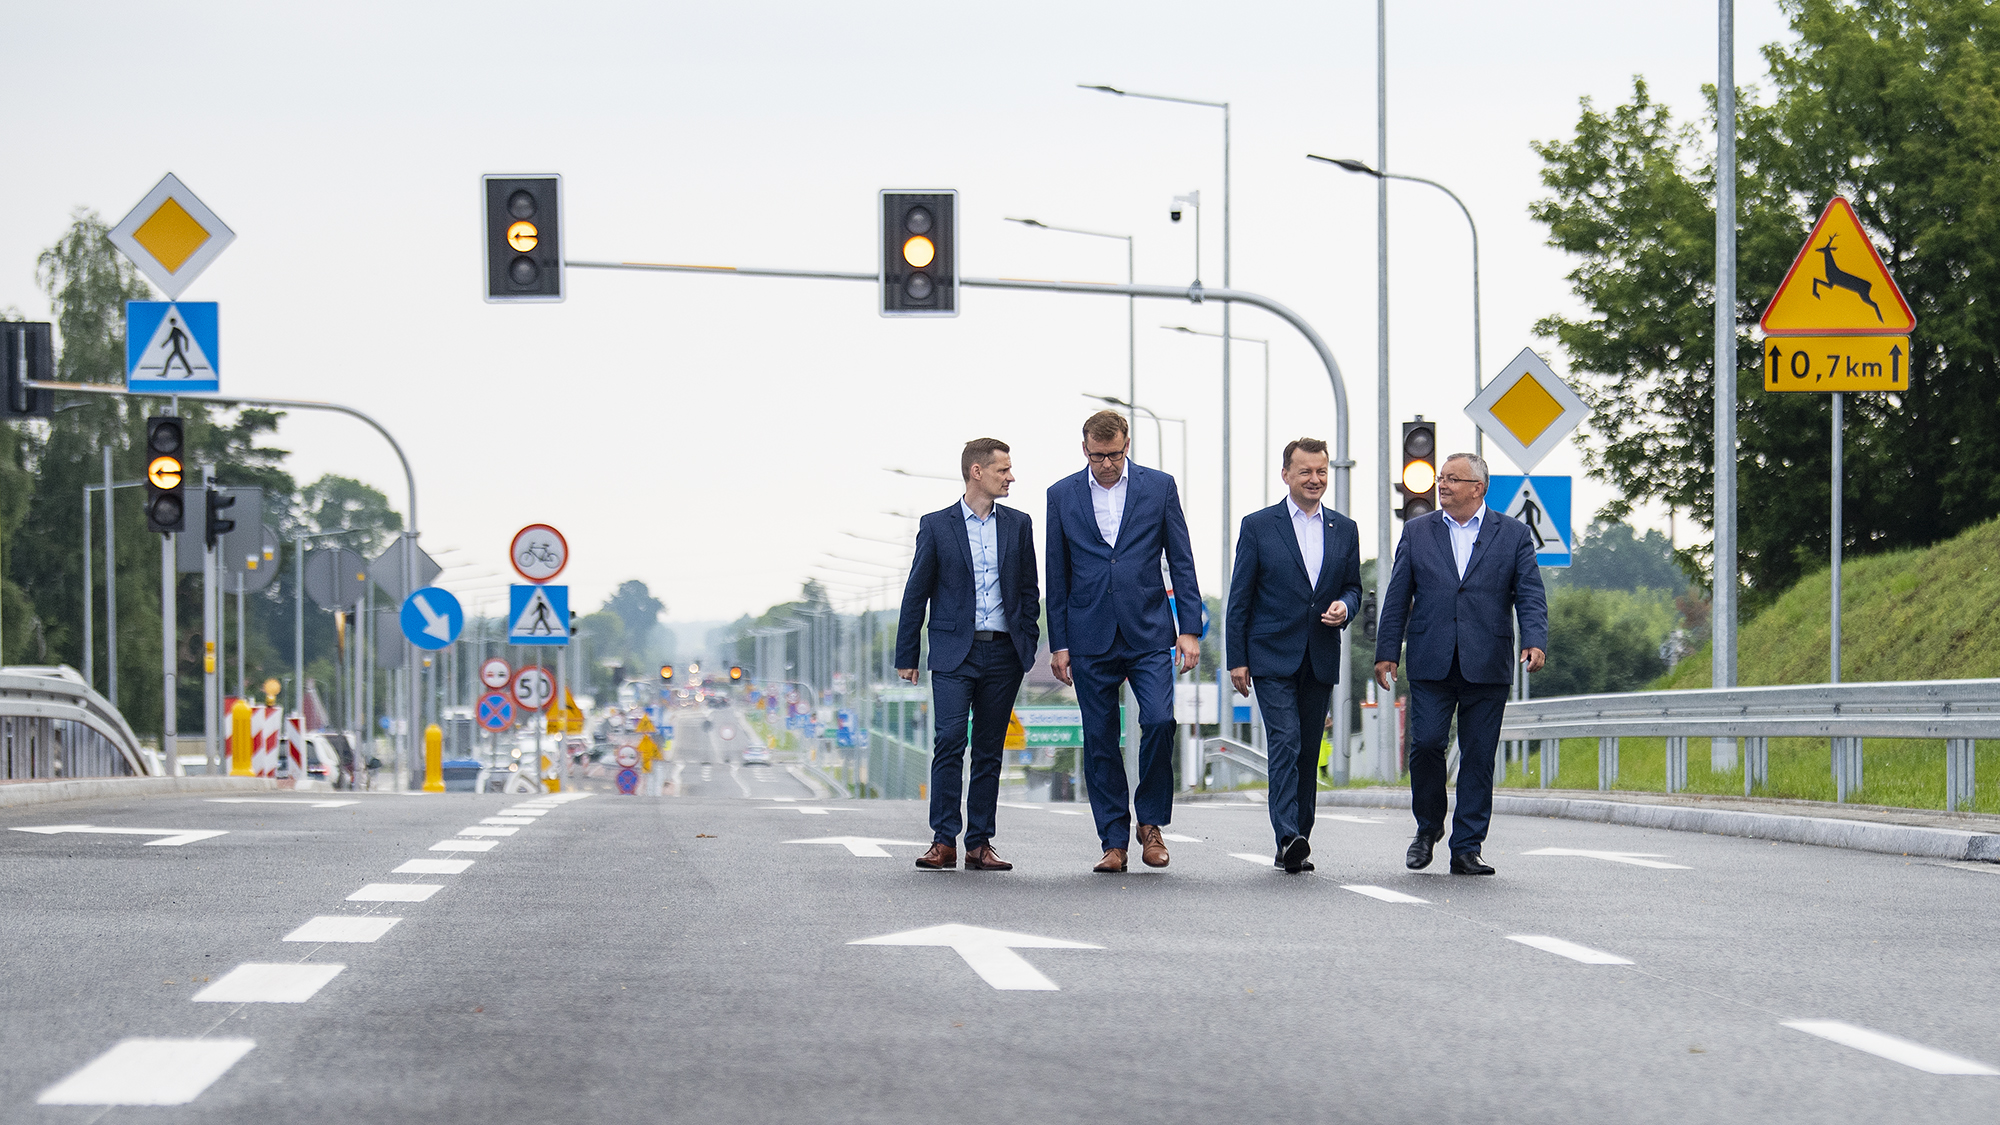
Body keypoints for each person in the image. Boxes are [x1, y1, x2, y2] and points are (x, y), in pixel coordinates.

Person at [1373, 452, 1547, 876]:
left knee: (1478, 756)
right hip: (1431, 658)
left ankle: (1467, 847)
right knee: (1426, 745)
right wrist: (1386, 650)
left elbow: (1529, 593)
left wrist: (1535, 640)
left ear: (1478, 488)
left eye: (1453, 479)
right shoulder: (1418, 532)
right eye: (1441, 478)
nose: (1443, 485)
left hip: (1487, 661)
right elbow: (1397, 595)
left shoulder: (1513, 535)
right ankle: (1428, 827)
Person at [1046, 410, 1202, 873]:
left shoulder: (1159, 487)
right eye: (1098, 456)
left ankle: (1150, 824)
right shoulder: (1061, 495)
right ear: (1085, 450)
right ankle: (1113, 841)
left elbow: (1181, 558)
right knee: (1099, 739)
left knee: (1158, 719)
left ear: (1127, 445)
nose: (1107, 464)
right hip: (1089, 633)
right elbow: (1057, 573)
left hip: (1148, 630)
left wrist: (1189, 628)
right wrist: (1059, 643)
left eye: (1114, 454)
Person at [895, 438, 1041, 872]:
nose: (1011, 477)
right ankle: (943, 841)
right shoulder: (936, 525)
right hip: (953, 654)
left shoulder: (1019, 524)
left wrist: (1027, 642)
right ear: (977, 472)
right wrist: (907, 654)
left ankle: (980, 843)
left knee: (989, 749)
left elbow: (1029, 590)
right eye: (1003, 470)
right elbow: (916, 592)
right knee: (950, 740)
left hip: (1004, 653)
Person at [1226, 438, 1363, 874]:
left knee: (1307, 750)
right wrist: (1236, 658)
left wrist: (1345, 607)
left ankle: (1300, 836)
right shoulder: (1258, 526)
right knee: (1285, 741)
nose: (1315, 479)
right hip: (1271, 655)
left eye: (1321, 471)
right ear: (1286, 474)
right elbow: (1240, 597)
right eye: (1305, 472)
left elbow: (1354, 587)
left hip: (1319, 653)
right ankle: (1286, 835)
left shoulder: (1345, 529)